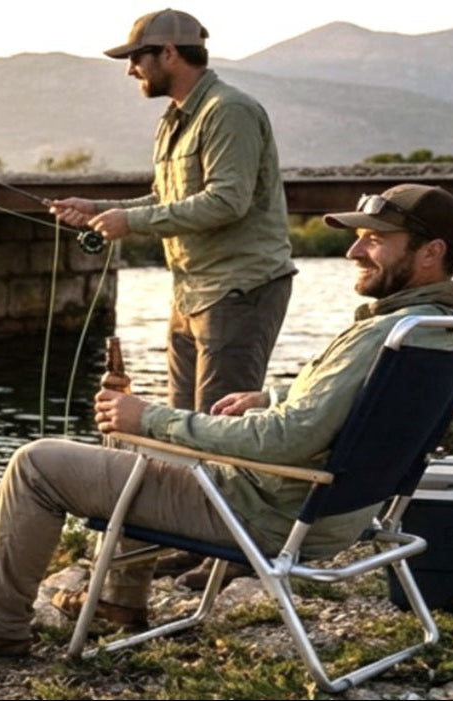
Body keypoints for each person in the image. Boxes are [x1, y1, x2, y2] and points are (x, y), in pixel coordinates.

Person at [0, 183, 453, 655]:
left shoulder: (386, 332)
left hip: (263, 510)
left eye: (375, 239)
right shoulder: (441, 327)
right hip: (338, 512)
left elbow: (287, 441)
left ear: (430, 252)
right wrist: (268, 397)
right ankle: (116, 603)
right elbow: (353, 404)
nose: (354, 251)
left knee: (38, 464)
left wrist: (153, 418)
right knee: (129, 437)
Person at [49, 6, 298, 590]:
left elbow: (226, 201)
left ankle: (234, 557)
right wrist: (103, 211)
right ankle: (198, 543)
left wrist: (130, 225)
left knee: (221, 425)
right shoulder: (174, 119)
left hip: (240, 288)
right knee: (182, 428)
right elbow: (166, 197)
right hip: (192, 292)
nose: (130, 70)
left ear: (168, 54)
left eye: (135, 58)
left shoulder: (228, 110)